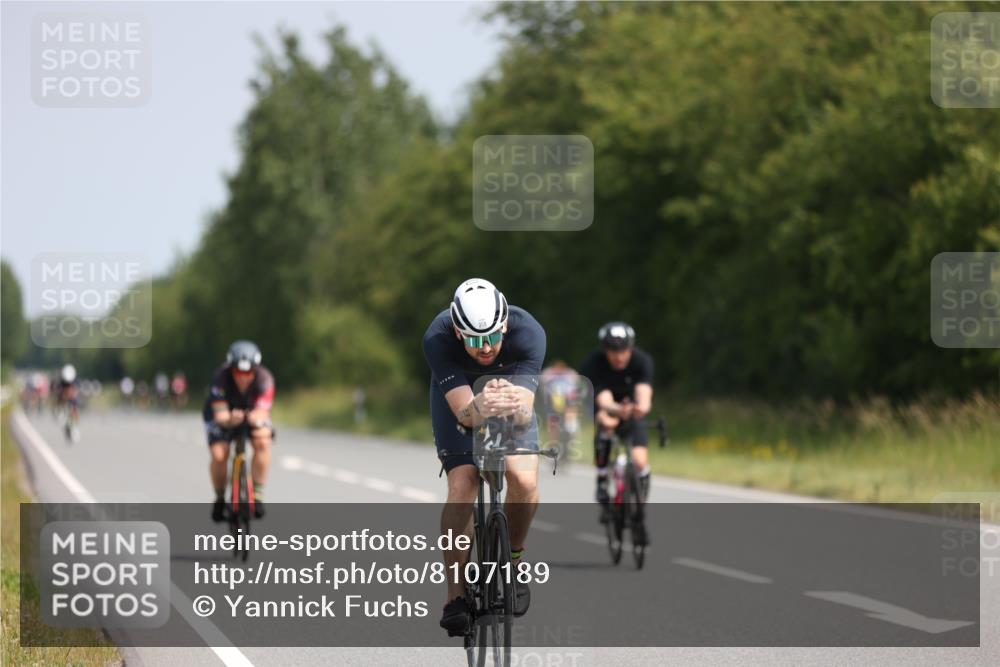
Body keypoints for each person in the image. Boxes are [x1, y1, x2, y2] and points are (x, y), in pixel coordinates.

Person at [423, 278, 546, 636]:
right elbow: (463, 414)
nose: (487, 347)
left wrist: (509, 403)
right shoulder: (437, 337)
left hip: (511, 396)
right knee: (463, 482)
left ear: (505, 324)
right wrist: (480, 405)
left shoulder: (529, 333)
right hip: (461, 399)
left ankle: (513, 560)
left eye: (493, 336)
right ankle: (455, 595)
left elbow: (524, 415)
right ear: (459, 333)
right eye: (475, 340)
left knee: (523, 478)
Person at [579, 322, 654, 514]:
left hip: (631, 410)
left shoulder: (642, 361)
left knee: (639, 461)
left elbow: (644, 391)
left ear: (631, 348)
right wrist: (613, 410)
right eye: (613, 351)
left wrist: (641, 407)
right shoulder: (594, 363)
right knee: (606, 424)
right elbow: (602, 397)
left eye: (624, 350)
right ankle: (602, 479)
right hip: (605, 405)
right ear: (605, 350)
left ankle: (640, 493)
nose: (619, 356)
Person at [202, 340, 276, 521]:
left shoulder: (265, 379)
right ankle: (220, 498)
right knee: (220, 455)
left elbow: (262, 411)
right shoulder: (220, 378)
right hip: (223, 415)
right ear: (231, 368)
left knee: (263, 442)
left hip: (251, 415)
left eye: (248, 372)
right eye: (238, 372)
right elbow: (220, 415)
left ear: (255, 369)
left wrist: (252, 417)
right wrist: (229, 419)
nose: (243, 377)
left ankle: (257, 495)